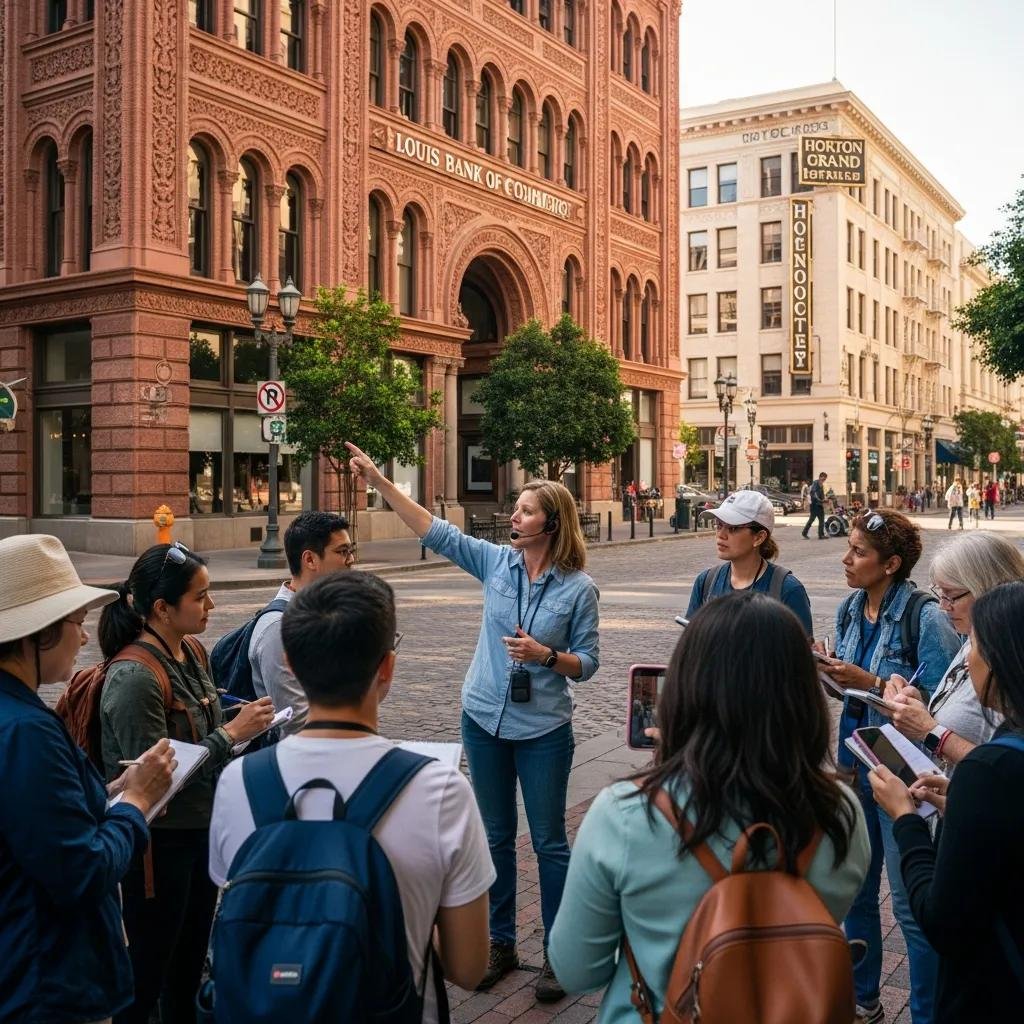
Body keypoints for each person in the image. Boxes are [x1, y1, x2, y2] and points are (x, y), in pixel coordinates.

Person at [345, 440, 599, 1003]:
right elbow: (434, 530)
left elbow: (590, 663)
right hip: (483, 717)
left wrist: (548, 658)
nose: (515, 515)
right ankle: (501, 943)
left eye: (527, 510)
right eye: (517, 507)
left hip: (543, 731)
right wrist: (379, 481)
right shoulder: (497, 562)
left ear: (551, 523)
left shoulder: (579, 589)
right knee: (496, 836)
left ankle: (558, 952)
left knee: (551, 842)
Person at [547, 591, 871, 1017]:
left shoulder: (625, 814)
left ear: (685, 687)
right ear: (802, 696)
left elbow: (576, 971)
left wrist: (672, 765)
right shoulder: (842, 813)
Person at [210, 572, 494, 1021]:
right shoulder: (439, 790)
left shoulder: (238, 782)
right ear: (387, 667)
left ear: (291, 663)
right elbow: (470, 967)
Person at [0, 535, 176, 1024]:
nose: (83, 638)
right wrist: (136, 803)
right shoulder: (26, 730)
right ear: (37, 635)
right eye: (76, 624)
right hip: (48, 983)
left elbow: (33, 824)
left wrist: (101, 795)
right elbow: (80, 869)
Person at [98, 543, 275, 1024]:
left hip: (200, 834)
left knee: (190, 962)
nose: (210, 606)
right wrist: (229, 734)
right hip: (159, 847)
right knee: (149, 970)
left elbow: (203, 726)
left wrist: (237, 723)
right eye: (200, 597)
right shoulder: (135, 676)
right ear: (161, 608)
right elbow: (149, 780)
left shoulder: (192, 649)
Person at [816, 510, 960, 1024]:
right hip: (856, 759)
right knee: (855, 883)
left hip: (904, 773)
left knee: (909, 904)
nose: (846, 558)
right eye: (849, 547)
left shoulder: (927, 616)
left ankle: (927, 1013)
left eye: (858, 552)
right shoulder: (853, 607)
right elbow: (848, 687)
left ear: (892, 564)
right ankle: (864, 997)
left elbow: (944, 704)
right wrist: (831, 673)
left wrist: (872, 682)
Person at [869, 581, 1024, 1023]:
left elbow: (942, 920)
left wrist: (905, 819)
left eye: (975, 646)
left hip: (992, 995)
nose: (967, 657)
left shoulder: (990, 767)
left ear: (1001, 660)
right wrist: (963, 807)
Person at [887, 532, 1024, 776]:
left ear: (987, 589)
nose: (942, 606)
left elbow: (1008, 766)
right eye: (941, 594)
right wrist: (920, 706)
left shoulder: (1007, 657)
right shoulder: (973, 636)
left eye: (951, 595)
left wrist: (929, 731)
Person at [249, 510, 355, 734]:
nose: (351, 560)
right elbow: (296, 721)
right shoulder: (278, 628)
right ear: (310, 559)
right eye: (343, 551)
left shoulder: (324, 613)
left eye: (350, 551)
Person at [685, 489, 813, 635]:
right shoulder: (706, 582)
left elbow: (800, 654)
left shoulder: (788, 590)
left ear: (759, 537)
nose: (721, 535)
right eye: (719, 525)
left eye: (733, 528)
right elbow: (691, 648)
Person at [802, 471, 828, 539]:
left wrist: (824, 499)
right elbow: (814, 493)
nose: (823, 480)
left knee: (821, 519)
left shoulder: (821, 485)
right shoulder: (815, 483)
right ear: (820, 477)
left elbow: (821, 495)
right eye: (823, 479)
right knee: (812, 519)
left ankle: (820, 534)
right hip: (814, 505)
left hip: (819, 504)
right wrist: (819, 499)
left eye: (825, 479)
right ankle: (806, 533)